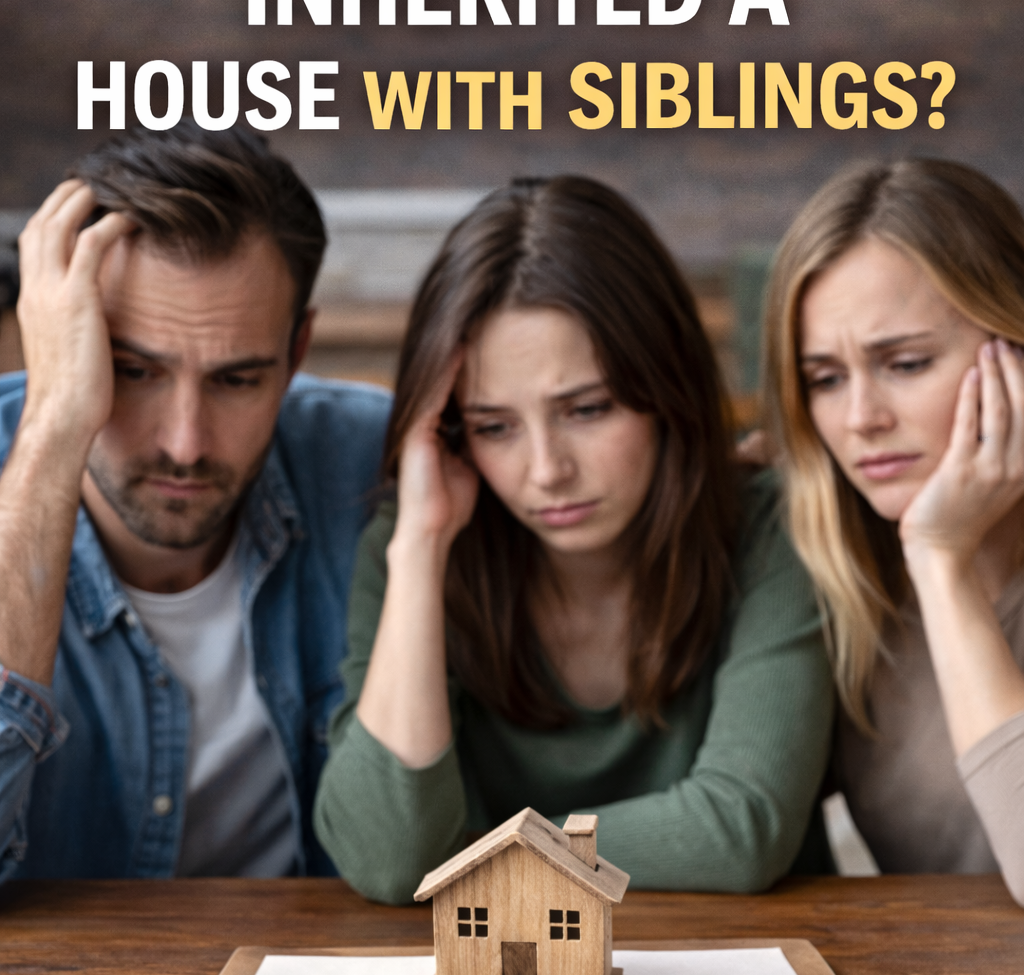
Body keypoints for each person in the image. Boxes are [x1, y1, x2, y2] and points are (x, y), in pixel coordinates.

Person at [313, 175, 834, 901]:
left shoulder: (770, 525)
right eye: (494, 426)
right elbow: (389, 861)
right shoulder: (410, 549)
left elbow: (740, 832)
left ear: (667, 389)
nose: (547, 471)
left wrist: (471, 854)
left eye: (587, 409)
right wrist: (421, 547)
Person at [0, 122, 389, 881]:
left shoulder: (370, 467)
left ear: (297, 352)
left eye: (237, 380)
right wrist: (52, 428)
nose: (184, 441)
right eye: (133, 371)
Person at [763, 157, 1024, 905]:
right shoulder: (827, 562)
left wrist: (941, 558)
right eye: (825, 379)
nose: (861, 420)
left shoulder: (918, 555)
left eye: (905, 363)